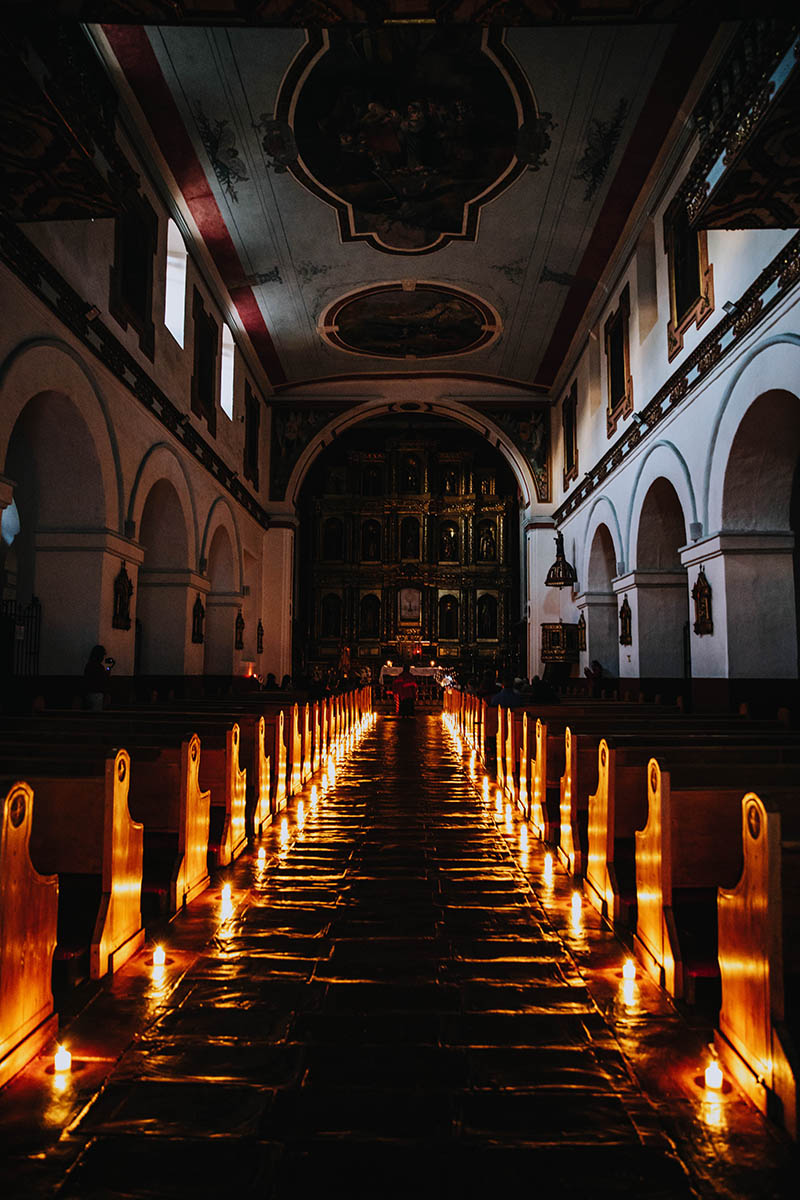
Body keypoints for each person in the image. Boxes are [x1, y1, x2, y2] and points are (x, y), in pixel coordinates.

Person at [83, 644, 112, 711]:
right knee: (96, 713)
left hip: (89, 693)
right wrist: (108, 670)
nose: (103, 658)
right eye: (103, 655)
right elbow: (103, 680)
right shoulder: (99, 667)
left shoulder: (89, 665)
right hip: (97, 694)